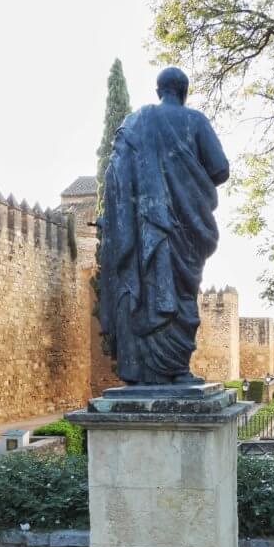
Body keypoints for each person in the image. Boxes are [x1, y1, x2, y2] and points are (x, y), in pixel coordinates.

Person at [98, 66, 229, 384]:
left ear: (159, 92)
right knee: (181, 296)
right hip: (186, 228)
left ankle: (143, 372)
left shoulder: (136, 121)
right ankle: (175, 370)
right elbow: (220, 169)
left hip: (145, 228)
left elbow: (115, 171)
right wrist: (187, 179)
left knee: (145, 291)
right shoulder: (195, 121)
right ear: (184, 92)